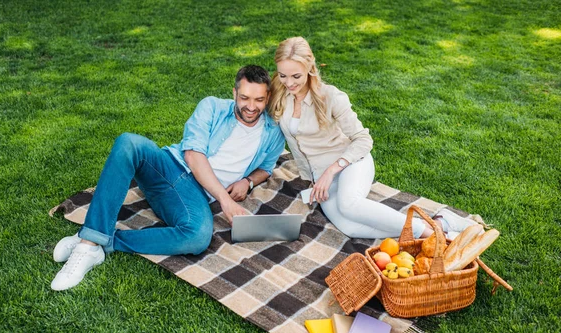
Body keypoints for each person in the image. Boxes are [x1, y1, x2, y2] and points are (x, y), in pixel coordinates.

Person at [51, 65, 285, 291]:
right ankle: (88, 245)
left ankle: (101, 241)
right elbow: (193, 156)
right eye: (244, 98)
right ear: (234, 92)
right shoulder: (212, 107)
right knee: (128, 142)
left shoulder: (273, 133)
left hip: (194, 197)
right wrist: (225, 200)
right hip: (169, 168)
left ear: (268, 96)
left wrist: (249, 181)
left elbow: (266, 168)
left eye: (259, 100)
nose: (251, 107)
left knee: (197, 237)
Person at [268, 37, 477, 240]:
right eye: (283, 75)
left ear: (310, 67)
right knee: (350, 227)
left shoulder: (331, 96)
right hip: (320, 175)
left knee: (349, 204)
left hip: (350, 162)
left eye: (296, 76)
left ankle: (436, 237)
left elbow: (363, 139)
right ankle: (440, 223)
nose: (289, 83)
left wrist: (332, 170)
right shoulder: (280, 93)